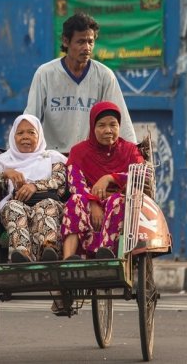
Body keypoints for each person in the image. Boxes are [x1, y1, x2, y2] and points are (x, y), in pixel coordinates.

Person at [24, 12, 136, 154]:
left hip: (91, 159)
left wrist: (135, 155)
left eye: (90, 42)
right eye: (81, 41)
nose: (87, 47)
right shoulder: (45, 74)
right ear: (66, 41)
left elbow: (122, 123)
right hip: (52, 158)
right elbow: (30, 119)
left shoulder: (105, 76)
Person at [61, 101, 144, 260]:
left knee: (117, 202)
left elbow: (142, 175)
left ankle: (106, 253)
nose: (108, 130)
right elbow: (75, 182)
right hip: (88, 202)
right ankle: (68, 259)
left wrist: (109, 178)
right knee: (74, 200)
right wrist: (93, 202)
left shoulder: (130, 150)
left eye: (113, 125)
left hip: (117, 202)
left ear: (119, 126)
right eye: (101, 125)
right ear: (93, 127)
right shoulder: (78, 151)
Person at [0, 114, 67, 263]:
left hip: (47, 202)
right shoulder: (4, 160)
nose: (25, 137)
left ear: (39, 135)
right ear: (13, 136)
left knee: (46, 206)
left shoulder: (52, 157)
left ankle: (49, 251)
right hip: (17, 204)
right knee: (12, 207)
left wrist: (34, 186)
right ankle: (23, 255)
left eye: (31, 132)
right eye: (20, 133)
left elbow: (60, 181)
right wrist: (6, 174)